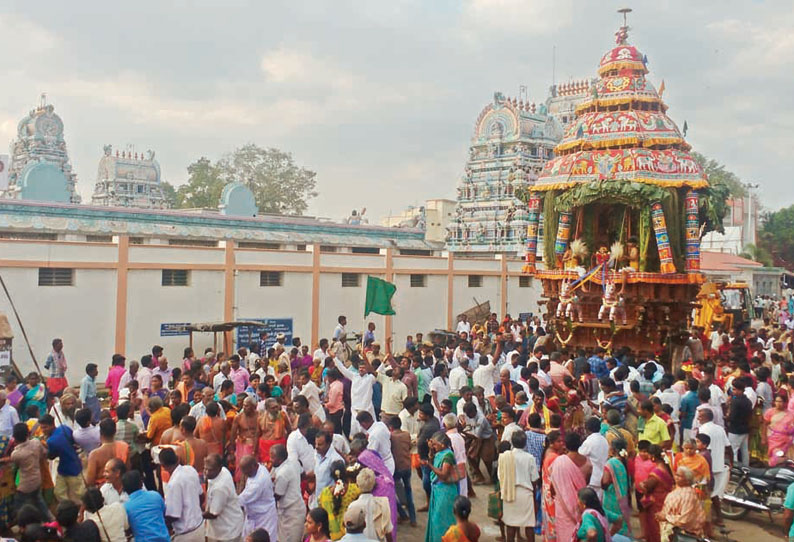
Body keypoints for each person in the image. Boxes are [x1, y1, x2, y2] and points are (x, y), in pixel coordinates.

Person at [349, 436, 398, 536]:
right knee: (389, 513)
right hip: (387, 481)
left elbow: (364, 473)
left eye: (353, 451)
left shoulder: (361, 458)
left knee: (378, 514)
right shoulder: (372, 452)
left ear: (358, 449)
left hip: (379, 486)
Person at [2, 423, 50, 520]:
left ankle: (20, 524)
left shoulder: (16, 454)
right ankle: (50, 519)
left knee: (18, 506)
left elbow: (11, 462)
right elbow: (44, 453)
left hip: (25, 486)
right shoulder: (36, 443)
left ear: (15, 438)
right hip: (37, 479)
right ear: (27, 434)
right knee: (39, 501)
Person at [498, 431, 540, 542]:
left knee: (510, 525)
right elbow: (534, 479)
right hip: (526, 494)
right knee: (529, 525)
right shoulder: (530, 458)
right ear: (525, 443)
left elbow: (500, 476)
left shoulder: (504, 457)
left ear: (512, 442)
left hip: (509, 493)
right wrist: (534, 496)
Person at [549, 432, 590, 542]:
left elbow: (553, 485)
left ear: (565, 445)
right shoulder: (587, 463)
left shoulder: (559, 461)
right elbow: (586, 484)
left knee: (564, 532)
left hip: (562, 504)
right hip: (582, 503)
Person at [160, 447, 204, 542]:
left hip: (186, 535)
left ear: (163, 466)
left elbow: (174, 515)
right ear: (178, 459)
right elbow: (201, 496)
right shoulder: (191, 470)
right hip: (200, 528)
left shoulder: (173, 484)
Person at [39, 414, 84, 505]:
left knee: (77, 495)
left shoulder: (51, 441)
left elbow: (51, 456)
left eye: (45, 427)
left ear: (52, 425)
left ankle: (77, 511)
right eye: (42, 428)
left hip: (71, 469)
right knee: (60, 492)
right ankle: (69, 508)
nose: (43, 430)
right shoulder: (64, 428)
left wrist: (43, 446)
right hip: (70, 466)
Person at [422, 432, 458, 542]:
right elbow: (432, 457)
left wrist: (430, 466)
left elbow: (443, 474)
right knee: (435, 519)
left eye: (435, 445)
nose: (434, 447)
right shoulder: (440, 452)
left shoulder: (448, 455)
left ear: (442, 444)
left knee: (441, 521)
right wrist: (431, 450)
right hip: (438, 490)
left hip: (445, 491)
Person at [203, 453, 244, 542]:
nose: (206, 473)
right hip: (229, 525)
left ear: (219, 468)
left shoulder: (220, 488)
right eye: (205, 469)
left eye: (210, 470)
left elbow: (213, 514)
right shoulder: (223, 471)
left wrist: (196, 515)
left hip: (227, 531)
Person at [658, 466, 706, 542]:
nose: (676, 477)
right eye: (676, 475)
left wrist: (666, 517)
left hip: (684, 534)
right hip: (673, 532)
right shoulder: (679, 489)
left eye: (679, 476)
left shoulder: (688, 495)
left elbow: (685, 520)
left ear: (687, 480)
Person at [271, 444, 307, 542]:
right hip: (290, 509)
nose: (270, 460)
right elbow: (302, 474)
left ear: (280, 459)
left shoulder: (283, 473)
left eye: (273, 457)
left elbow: (277, 496)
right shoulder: (294, 462)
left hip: (292, 512)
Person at [238, 455, 278, 542]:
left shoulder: (258, 482)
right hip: (253, 516)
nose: (246, 475)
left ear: (254, 466)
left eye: (247, 473)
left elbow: (240, 500)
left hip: (264, 517)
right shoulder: (259, 468)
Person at [639, 444, 674, 542]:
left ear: (652, 456)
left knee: (655, 529)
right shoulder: (666, 467)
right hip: (665, 501)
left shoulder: (657, 472)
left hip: (656, 504)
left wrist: (642, 484)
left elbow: (647, 487)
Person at [123, 470, 170, 542]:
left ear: (124, 489)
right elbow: (164, 513)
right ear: (141, 483)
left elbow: (127, 529)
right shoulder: (155, 495)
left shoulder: (126, 507)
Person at [319, 460, 361, 541]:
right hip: (348, 535)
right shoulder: (354, 490)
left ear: (331, 475)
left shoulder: (324, 493)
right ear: (345, 473)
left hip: (331, 535)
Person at [387, 416, 416, 526]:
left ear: (391, 427)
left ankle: (403, 514)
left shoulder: (391, 437)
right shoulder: (406, 435)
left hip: (396, 468)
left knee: (392, 492)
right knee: (408, 491)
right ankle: (413, 518)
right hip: (407, 466)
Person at [350, 468, 393, 542]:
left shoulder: (353, 506)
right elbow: (388, 531)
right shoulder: (382, 503)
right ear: (374, 485)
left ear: (357, 485)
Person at [601, 438, 632, 537]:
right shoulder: (624, 461)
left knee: (613, 523)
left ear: (613, 449)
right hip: (623, 497)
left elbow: (605, 482)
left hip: (611, 498)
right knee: (622, 522)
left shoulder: (611, 463)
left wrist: (602, 483)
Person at [86, 419, 129, 487]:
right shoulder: (124, 446)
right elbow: (127, 470)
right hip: (121, 486)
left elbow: (90, 481)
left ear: (100, 433)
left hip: (102, 490)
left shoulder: (94, 455)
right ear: (115, 431)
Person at [541, 430, 563, 542]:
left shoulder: (549, 453)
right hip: (551, 493)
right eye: (558, 441)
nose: (562, 444)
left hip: (547, 491)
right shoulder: (553, 457)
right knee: (553, 519)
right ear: (551, 443)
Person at [579, 416, 609, 498]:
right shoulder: (604, 440)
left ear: (587, 428)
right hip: (603, 477)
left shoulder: (589, 442)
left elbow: (579, 455)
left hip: (593, 478)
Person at [726, 379, 753, 468]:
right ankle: (746, 467)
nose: (733, 391)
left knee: (733, 451)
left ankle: (735, 469)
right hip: (745, 428)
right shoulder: (748, 401)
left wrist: (726, 418)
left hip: (735, 429)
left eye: (734, 389)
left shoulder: (736, 402)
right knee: (744, 450)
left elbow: (732, 417)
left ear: (739, 390)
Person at [313, 430, 344, 507]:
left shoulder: (336, 460)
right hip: (317, 501)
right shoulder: (317, 455)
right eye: (316, 444)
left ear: (328, 444)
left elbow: (340, 484)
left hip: (330, 503)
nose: (316, 447)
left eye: (320, 444)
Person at [763, 394, 794, 465]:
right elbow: (764, 424)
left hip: (785, 441)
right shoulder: (769, 412)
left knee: (784, 458)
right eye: (777, 401)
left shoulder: (790, 414)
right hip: (773, 439)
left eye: (780, 401)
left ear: (785, 403)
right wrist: (763, 437)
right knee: (774, 457)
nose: (778, 403)